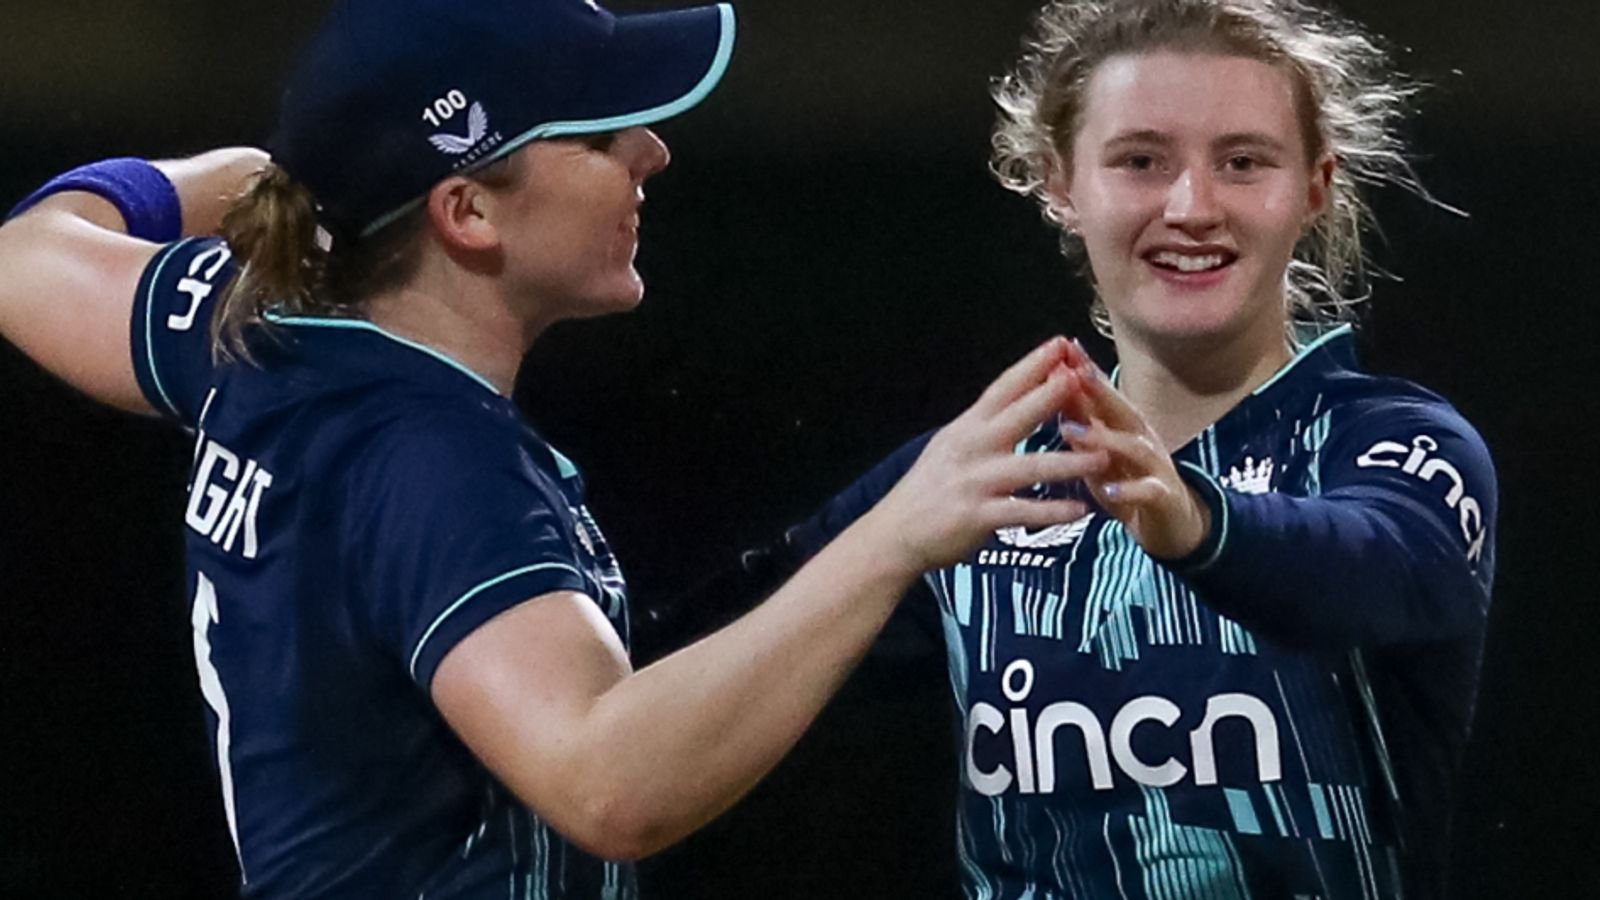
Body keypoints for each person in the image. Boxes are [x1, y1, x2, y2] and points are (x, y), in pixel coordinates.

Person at [0, 0, 1111, 896]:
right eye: (593, 137)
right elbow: (609, 785)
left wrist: (274, 174)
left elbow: (30, 253)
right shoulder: (431, 460)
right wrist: (897, 543)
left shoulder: (248, 330)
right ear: (468, 213)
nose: (652, 151)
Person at [765, 0, 1497, 897]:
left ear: (1315, 186)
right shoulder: (981, 470)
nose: (1192, 208)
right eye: (1142, 161)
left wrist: (1196, 521)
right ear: (1059, 184)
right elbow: (712, 665)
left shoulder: (1391, 441)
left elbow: (1383, 573)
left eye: (1242, 163)